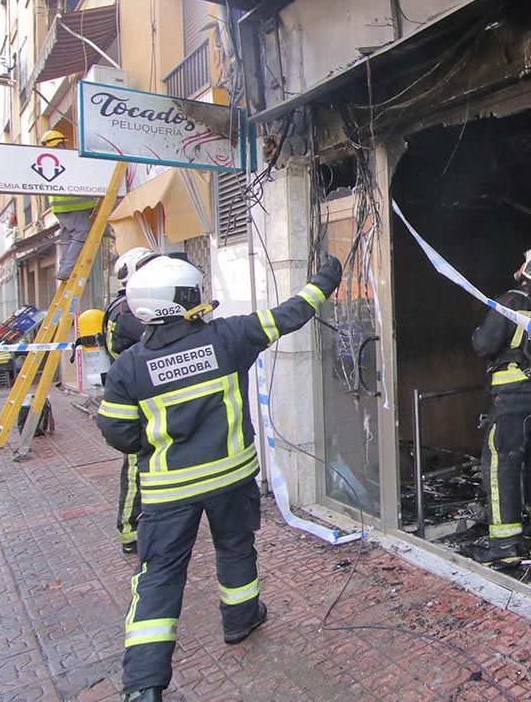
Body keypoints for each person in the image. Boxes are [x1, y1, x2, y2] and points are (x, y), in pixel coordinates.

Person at [96, 253, 343, 702]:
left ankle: (144, 686)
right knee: (234, 548)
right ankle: (241, 618)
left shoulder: (128, 367)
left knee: (159, 576)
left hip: (167, 491)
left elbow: (117, 432)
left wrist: (158, 446)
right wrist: (326, 279)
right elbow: (290, 314)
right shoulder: (227, 337)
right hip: (231, 479)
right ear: (183, 299)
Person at [470, 246, 531, 566]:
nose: (520, 265)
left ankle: (505, 546)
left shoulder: (511, 301)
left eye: (525, 262)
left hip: (510, 401)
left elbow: (485, 344)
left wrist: (476, 335)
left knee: (502, 468)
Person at [104, 247, 157, 555]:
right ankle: (129, 529)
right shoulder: (130, 311)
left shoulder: (127, 306)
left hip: (141, 395)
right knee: (136, 467)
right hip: (137, 402)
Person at [40, 130, 97, 282]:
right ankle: (68, 269)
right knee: (82, 234)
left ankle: (65, 269)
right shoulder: (65, 158)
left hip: (60, 209)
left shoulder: (48, 159)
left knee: (67, 239)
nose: (67, 145)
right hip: (75, 206)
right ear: (60, 143)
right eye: (64, 142)